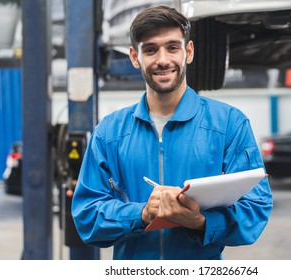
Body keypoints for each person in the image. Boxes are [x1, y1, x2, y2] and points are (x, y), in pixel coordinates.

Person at [72, 5, 273, 260]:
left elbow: (256, 208)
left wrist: (200, 221)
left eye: (172, 47)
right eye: (151, 49)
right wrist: (142, 214)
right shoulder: (109, 133)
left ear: (188, 52)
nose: (163, 60)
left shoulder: (229, 125)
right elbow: (86, 216)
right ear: (135, 57)